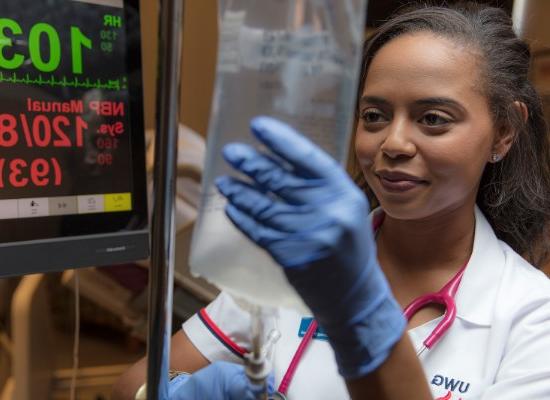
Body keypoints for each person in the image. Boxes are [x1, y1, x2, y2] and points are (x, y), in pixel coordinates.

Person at [113, 3, 550, 399]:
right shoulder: (295, 263)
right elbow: (132, 384)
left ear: (505, 131)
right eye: (374, 116)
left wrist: (354, 301)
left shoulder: (532, 318)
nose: (392, 143)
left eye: (433, 119)